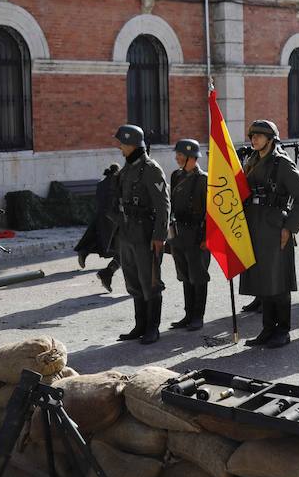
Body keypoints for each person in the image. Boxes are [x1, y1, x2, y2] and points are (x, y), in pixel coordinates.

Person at [240, 119, 299, 348]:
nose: (254, 139)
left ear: (271, 140)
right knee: (263, 281)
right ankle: (267, 329)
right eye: (252, 135)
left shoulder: (281, 164)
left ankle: (283, 330)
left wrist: (289, 227)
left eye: (259, 136)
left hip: (274, 228)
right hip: (254, 225)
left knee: (278, 281)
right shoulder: (251, 161)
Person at [112, 125, 170, 345]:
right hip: (128, 232)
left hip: (146, 232)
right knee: (134, 280)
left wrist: (159, 236)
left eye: (122, 144)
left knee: (150, 280)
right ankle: (140, 324)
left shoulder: (150, 169)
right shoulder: (127, 169)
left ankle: (153, 328)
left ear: (132, 144)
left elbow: (164, 205)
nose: (120, 147)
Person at [168, 139, 210, 331]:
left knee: (198, 276)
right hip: (179, 233)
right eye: (177, 154)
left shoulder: (204, 179)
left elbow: (211, 212)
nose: (177, 158)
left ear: (192, 158)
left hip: (197, 233)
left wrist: (206, 238)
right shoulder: (176, 175)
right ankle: (188, 314)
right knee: (184, 275)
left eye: (181, 155)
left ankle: (198, 316)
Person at [75, 164, 121, 292]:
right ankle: (107, 272)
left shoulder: (101, 183)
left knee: (100, 240)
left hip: (101, 216)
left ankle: (85, 252)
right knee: (117, 247)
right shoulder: (115, 183)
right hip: (113, 219)